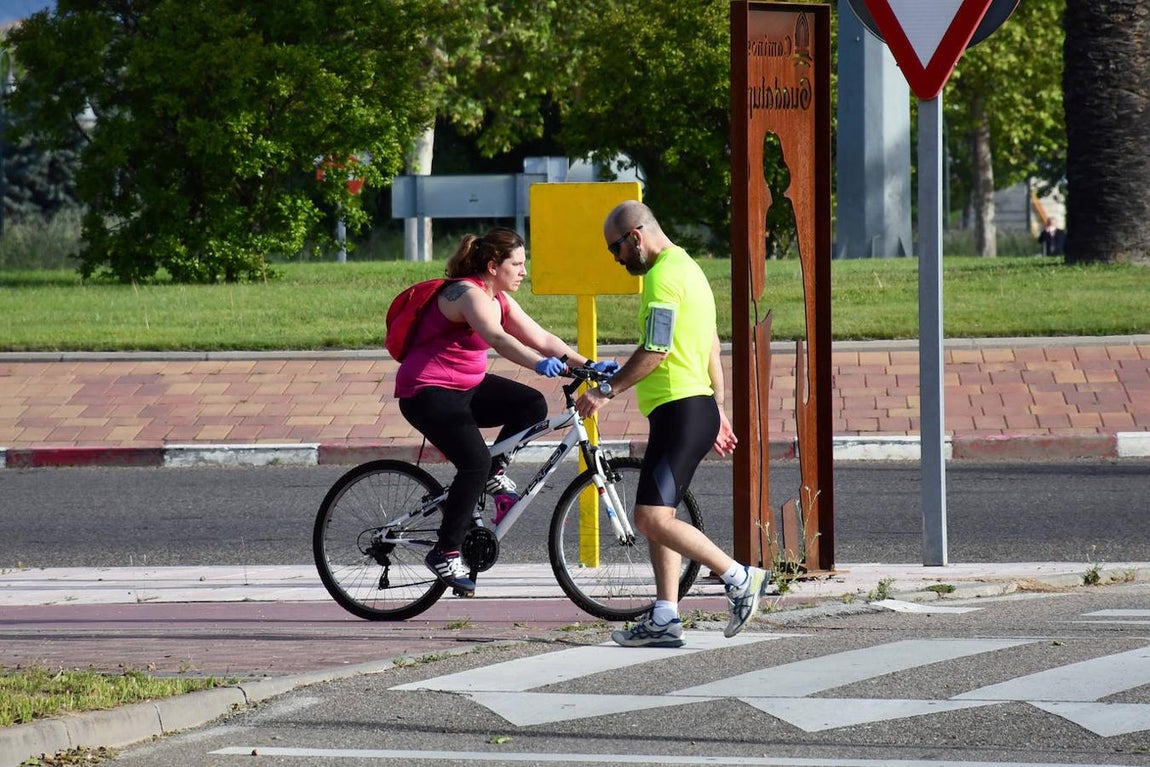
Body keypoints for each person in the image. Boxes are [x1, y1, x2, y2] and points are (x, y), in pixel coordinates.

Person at [574, 201, 771, 648]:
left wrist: (606, 391)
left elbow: (656, 349)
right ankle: (665, 615)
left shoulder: (662, 277)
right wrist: (718, 408)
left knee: (649, 517)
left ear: (635, 237)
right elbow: (710, 346)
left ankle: (740, 578)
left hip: (680, 410)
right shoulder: (690, 270)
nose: (616, 259)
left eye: (615, 249)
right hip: (689, 408)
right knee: (659, 514)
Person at [395, 227, 616, 595]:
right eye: (517, 264)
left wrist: (589, 365)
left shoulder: (498, 298)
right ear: (493, 266)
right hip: (427, 393)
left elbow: (543, 338)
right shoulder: (466, 294)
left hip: (465, 388)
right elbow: (498, 338)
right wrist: (537, 363)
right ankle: (445, 552)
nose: (524, 271)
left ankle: (494, 474)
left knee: (531, 404)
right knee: (474, 462)